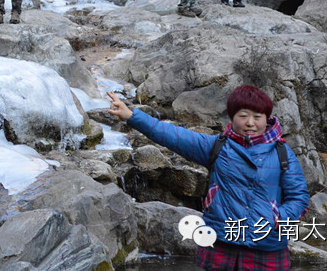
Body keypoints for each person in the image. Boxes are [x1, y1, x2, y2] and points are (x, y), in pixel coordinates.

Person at [108, 85, 309, 271]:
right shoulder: (216, 147)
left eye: (257, 116)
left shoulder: (282, 153)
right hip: (220, 243)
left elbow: (299, 197)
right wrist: (132, 116)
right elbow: (172, 135)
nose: (250, 123)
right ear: (232, 118)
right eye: (243, 115)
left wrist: (276, 219)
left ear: (267, 118)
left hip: (266, 245)